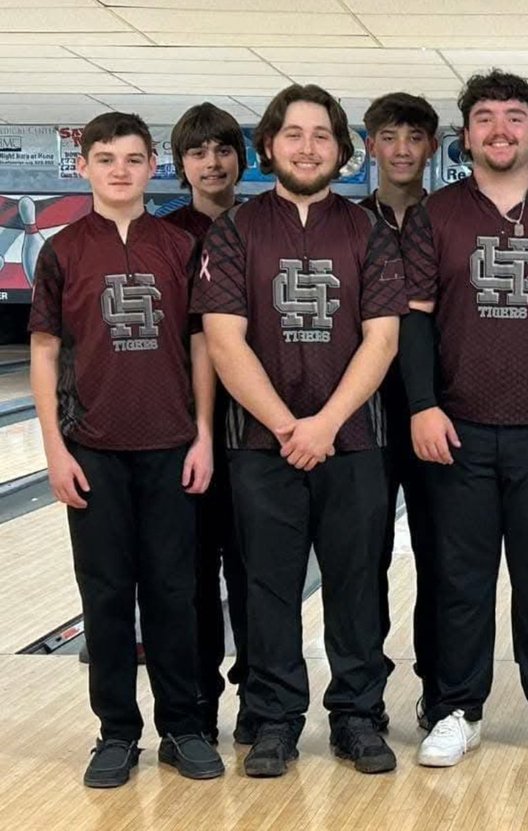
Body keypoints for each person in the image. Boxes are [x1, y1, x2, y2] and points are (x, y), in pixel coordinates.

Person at [193, 84, 406, 778]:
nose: (307, 147)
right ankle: (274, 718)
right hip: (261, 445)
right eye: (293, 134)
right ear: (269, 146)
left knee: (358, 586)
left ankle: (357, 715)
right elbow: (224, 340)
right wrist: (290, 427)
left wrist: (327, 423)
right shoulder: (234, 231)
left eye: (321, 135)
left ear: (342, 151)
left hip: (356, 441)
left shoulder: (370, 231)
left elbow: (382, 339)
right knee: (267, 587)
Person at [401, 70, 528, 769]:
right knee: (461, 579)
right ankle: (458, 709)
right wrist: (422, 404)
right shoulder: (435, 215)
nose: (500, 129)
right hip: (457, 429)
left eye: (514, 117)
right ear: (466, 135)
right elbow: (414, 319)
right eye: (485, 117)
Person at [29, 111, 224, 787]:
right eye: (107, 158)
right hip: (93, 450)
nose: (120, 170)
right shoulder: (61, 251)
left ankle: (183, 727)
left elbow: (202, 343)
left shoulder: (179, 246)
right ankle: (116, 732)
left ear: (152, 167)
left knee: (175, 592)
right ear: (83, 167)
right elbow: (45, 349)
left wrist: (203, 433)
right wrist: (54, 449)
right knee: (106, 594)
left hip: (171, 446)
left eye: (134, 158)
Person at [165, 101, 251, 745]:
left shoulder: (261, 228)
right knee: (191, 574)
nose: (212, 162)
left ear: (242, 159)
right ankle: (196, 700)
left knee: (253, 571)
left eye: (223, 150)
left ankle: (257, 695)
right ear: (181, 164)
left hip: (251, 427)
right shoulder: (166, 237)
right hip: (184, 432)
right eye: (198, 152)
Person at [360, 91, 440, 731]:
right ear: (370, 147)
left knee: (442, 557)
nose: (402, 149)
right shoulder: (349, 223)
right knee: (365, 558)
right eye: (389, 137)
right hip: (362, 415)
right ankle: (366, 695)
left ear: (432, 147)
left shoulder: (450, 218)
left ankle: (440, 689)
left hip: (436, 411)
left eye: (414, 137)